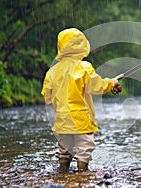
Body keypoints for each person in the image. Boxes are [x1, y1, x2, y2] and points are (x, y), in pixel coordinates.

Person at [41, 28, 123, 172]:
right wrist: (112, 82)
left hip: (62, 119)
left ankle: (63, 173)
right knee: (84, 147)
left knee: (64, 149)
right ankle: (82, 174)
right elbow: (98, 86)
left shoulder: (52, 71)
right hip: (80, 119)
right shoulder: (84, 67)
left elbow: (47, 96)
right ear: (82, 45)